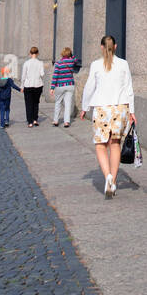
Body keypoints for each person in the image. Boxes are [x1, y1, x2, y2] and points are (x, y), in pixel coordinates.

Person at [80, 35, 135, 199]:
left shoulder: (96, 65)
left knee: (100, 144)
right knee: (115, 144)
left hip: (102, 108)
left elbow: (89, 87)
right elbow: (129, 88)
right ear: (116, 46)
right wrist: (132, 111)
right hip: (120, 107)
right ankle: (114, 178)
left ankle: (108, 177)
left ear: (101, 47)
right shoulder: (123, 64)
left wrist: (84, 107)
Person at [50, 47, 77, 127]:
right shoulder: (71, 62)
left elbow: (55, 76)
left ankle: (56, 120)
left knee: (58, 102)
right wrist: (71, 56)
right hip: (70, 85)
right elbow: (75, 59)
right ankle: (66, 122)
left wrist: (52, 88)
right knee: (68, 103)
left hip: (60, 85)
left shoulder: (58, 63)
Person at [21, 46, 45, 128]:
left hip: (28, 85)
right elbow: (42, 74)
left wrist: (21, 86)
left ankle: (30, 122)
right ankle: (35, 119)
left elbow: (23, 76)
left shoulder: (26, 63)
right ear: (37, 53)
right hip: (38, 85)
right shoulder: (40, 63)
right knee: (36, 102)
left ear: (30, 53)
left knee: (28, 104)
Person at [0, 63, 21, 127]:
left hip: (1, 97)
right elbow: (14, 86)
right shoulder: (9, 80)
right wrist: (20, 89)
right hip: (8, 97)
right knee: (7, 109)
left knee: (1, 110)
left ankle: (2, 124)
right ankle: (7, 121)